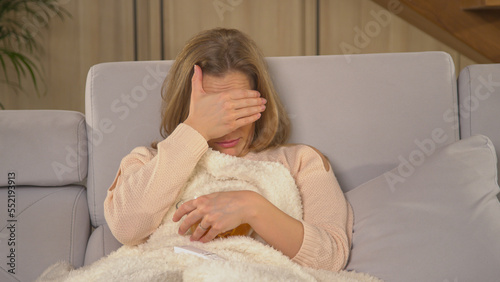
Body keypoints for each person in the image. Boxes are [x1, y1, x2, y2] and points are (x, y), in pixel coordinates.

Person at [104, 28, 353, 272]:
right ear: (186, 107)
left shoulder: (300, 162)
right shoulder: (148, 162)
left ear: (261, 102)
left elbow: (330, 259)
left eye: (239, 109)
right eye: (214, 112)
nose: (227, 129)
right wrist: (195, 130)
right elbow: (126, 227)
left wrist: (251, 207)